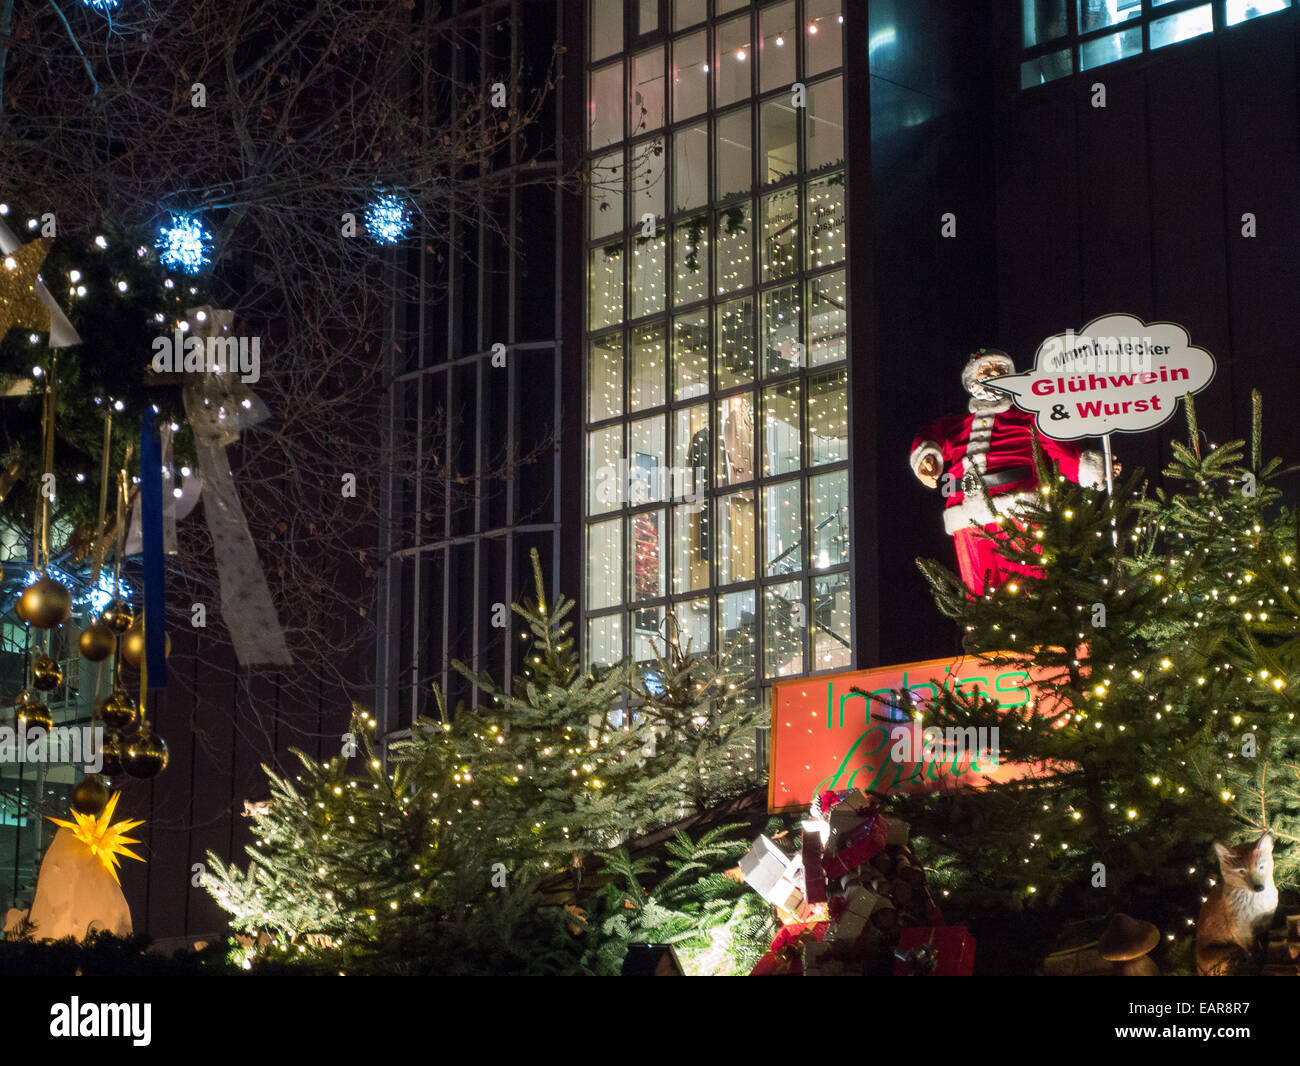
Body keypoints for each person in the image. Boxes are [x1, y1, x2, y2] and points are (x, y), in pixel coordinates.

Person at [910, 349, 1119, 596]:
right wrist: (927, 459)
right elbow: (930, 437)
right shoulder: (954, 425)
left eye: (1000, 370)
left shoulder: (1028, 417)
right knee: (979, 596)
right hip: (966, 514)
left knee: (1028, 589)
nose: (993, 375)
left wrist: (1092, 470)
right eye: (986, 370)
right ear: (970, 379)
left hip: (1019, 507)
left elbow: (1058, 450)